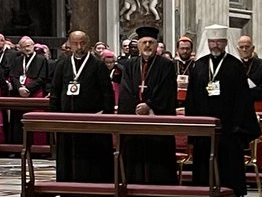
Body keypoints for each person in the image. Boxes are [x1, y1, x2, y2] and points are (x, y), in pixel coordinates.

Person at [185, 24, 261, 197]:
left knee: (229, 158)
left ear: (226, 43)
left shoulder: (235, 66)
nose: (216, 45)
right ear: (208, 42)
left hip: (229, 125)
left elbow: (243, 97)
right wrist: (193, 124)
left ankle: (232, 189)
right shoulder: (199, 66)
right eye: (212, 41)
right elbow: (191, 97)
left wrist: (238, 124)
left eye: (219, 41)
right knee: (204, 157)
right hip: (204, 123)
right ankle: (203, 190)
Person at [49, 29, 115, 186]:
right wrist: (54, 115)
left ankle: (93, 187)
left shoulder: (98, 65)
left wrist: (106, 114)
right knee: (68, 156)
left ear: (89, 44)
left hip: (92, 120)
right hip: (67, 120)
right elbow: (55, 90)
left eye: (82, 43)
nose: (79, 47)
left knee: (91, 157)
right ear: (69, 45)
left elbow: (107, 93)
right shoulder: (62, 64)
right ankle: (67, 186)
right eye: (75, 43)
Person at [117, 25, 177, 186]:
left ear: (156, 45)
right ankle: (134, 188)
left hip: (157, 118)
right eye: (144, 42)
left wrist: (149, 106)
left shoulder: (167, 65)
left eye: (151, 42)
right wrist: (136, 107)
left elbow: (167, 91)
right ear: (138, 44)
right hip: (135, 119)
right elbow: (126, 90)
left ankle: (161, 189)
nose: (148, 46)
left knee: (157, 154)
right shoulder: (130, 65)